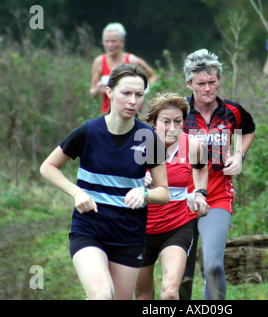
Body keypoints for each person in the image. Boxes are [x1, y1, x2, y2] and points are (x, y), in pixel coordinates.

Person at [40, 63, 169, 300]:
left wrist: (145, 194)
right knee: (101, 295)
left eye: (139, 95)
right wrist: (77, 193)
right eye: (126, 93)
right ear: (109, 92)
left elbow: (164, 192)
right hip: (89, 230)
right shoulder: (89, 132)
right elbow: (48, 167)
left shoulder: (148, 138)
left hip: (129, 236)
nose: (133, 101)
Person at [179, 49, 256, 300]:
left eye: (212, 82)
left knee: (213, 265)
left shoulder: (232, 110)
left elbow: (249, 130)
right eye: (201, 83)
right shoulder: (178, 113)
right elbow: (155, 146)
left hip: (218, 195)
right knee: (183, 272)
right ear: (189, 83)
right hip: (183, 195)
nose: (208, 88)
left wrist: (238, 155)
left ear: (219, 81)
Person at [134, 93, 210, 300]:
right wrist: (137, 180)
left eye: (178, 122)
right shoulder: (138, 147)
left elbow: (202, 168)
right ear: (153, 122)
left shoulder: (192, 146)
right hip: (139, 229)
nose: (172, 128)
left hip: (176, 227)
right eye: (165, 122)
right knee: (142, 295)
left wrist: (200, 194)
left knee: (169, 292)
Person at [90, 23, 159, 114]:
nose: (109, 45)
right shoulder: (99, 62)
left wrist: (143, 90)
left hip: (132, 113)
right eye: (106, 41)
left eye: (113, 41)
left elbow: (154, 75)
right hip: (108, 114)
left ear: (122, 42)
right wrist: (97, 90)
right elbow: (93, 93)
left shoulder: (132, 60)